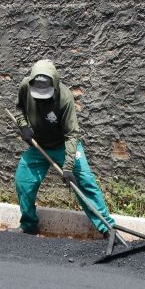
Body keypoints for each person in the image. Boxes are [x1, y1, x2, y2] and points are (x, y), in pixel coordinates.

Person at [11, 59, 115, 236]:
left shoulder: (65, 98)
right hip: (39, 146)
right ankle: (28, 225)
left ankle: (108, 229)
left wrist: (67, 168)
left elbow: (72, 134)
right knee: (23, 181)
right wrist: (23, 126)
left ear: (55, 84)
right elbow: (19, 107)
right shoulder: (25, 86)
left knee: (86, 183)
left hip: (64, 145)